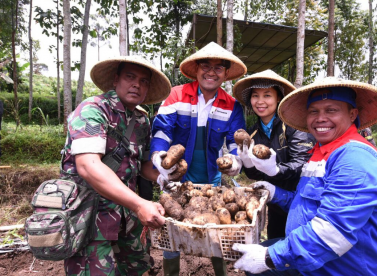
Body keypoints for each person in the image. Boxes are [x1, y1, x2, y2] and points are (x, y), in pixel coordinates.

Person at [233, 77, 377, 276]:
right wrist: (276, 193)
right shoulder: (321, 151)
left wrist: (270, 257)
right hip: (313, 263)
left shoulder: (355, 158)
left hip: (341, 268)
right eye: (314, 111)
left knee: (261, 264)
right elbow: (307, 205)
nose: (321, 118)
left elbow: (332, 232)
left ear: (352, 114)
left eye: (331, 110)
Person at [61, 56, 172, 275]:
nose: (136, 84)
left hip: (127, 219)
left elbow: (143, 167)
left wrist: (168, 176)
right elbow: (88, 165)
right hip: (90, 218)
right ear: (115, 79)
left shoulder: (141, 121)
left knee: (137, 269)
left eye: (143, 81)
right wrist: (140, 204)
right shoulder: (93, 110)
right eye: (130, 77)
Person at [150, 41, 247, 276]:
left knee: (216, 234)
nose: (211, 72)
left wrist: (235, 161)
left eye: (218, 68)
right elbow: (162, 131)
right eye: (206, 65)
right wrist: (159, 157)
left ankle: (221, 272)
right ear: (196, 69)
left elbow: (236, 141)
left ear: (225, 74)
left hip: (211, 180)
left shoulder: (232, 105)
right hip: (176, 177)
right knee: (170, 234)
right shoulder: (176, 95)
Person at [232, 70, 314, 239]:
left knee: (299, 246)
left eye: (267, 95)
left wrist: (276, 170)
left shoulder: (293, 125)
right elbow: (256, 173)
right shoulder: (252, 133)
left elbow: (303, 164)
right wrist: (247, 162)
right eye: (255, 96)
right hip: (274, 203)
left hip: (301, 200)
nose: (260, 101)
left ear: (278, 99)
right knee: (275, 243)